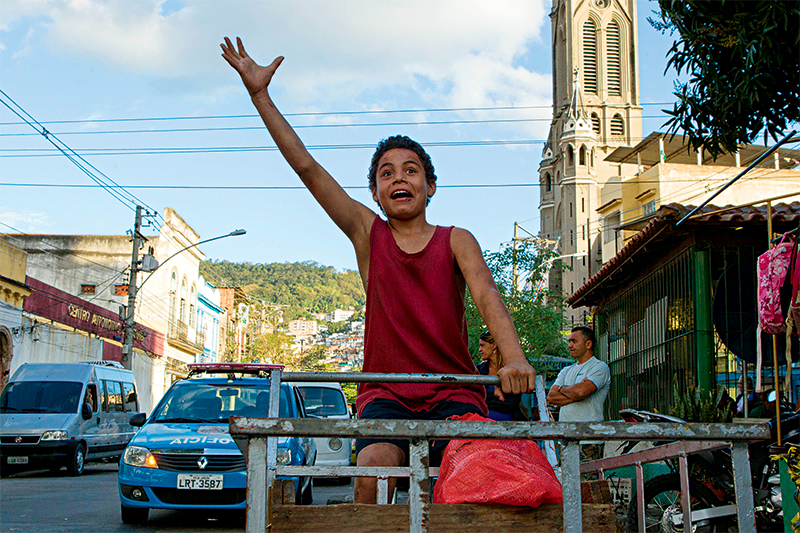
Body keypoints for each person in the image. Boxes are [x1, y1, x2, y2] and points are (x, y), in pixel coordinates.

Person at [220, 38, 536, 504]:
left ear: (431, 186)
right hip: (386, 391)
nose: (399, 178)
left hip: (454, 391)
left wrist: (513, 357)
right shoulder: (368, 233)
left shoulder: (457, 239)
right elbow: (307, 168)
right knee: (373, 472)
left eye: (411, 171)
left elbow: (488, 296)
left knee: (471, 478)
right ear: (373, 192)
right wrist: (260, 96)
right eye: (386, 173)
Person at [547, 326, 610, 462]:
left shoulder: (599, 367)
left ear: (588, 344)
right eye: (569, 341)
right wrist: (575, 393)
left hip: (589, 439)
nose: (570, 345)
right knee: (565, 481)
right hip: (566, 439)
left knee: (587, 481)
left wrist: (562, 389)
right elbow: (551, 397)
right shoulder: (566, 371)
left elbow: (581, 391)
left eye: (574, 341)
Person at [476, 330, 525, 421]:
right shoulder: (478, 371)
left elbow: (512, 401)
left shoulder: (512, 371)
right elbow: (474, 398)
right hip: (481, 425)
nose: (480, 350)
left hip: (510, 427)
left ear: (494, 345)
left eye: (482, 345)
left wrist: (485, 397)